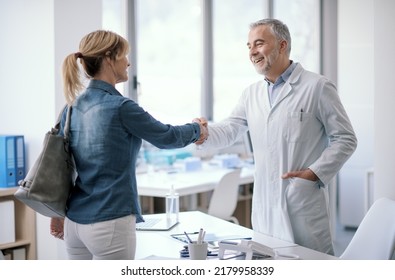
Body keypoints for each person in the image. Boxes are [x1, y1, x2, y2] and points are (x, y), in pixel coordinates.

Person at [195, 19, 357, 254]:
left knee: (312, 266)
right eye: (249, 46)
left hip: (301, 201)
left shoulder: (317, 86)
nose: (252, 52)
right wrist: (202, 133)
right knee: (269, 264)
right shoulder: (251, 94)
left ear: (282, 45)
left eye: (259, 44)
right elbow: (231, 129)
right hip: (265, 206)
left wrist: (313, 174)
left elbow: (345, 138)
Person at [49, 30, 208, 260]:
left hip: (74, 222)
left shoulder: (71, 107)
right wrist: (197, 129)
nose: (128, 62)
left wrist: (56, 211)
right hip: (109, 221)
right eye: (124, 55)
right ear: (109, 58)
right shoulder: (121, 107)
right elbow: (166, 136)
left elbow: (63, 166)